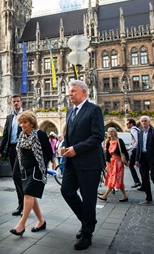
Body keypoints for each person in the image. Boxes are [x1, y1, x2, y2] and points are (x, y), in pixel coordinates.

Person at [60, 80, 105, 251]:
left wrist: (76, 149)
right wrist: (64, 146)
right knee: (66, 191)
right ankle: (88, 221)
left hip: (89, 163)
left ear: (83, 92)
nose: (69, 94)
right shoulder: (70, 111)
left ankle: (87, 234)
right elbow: (70, 135)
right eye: (69, 91)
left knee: (88, 198)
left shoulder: (94, 110)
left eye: (73, 91)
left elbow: (97, 136)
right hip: (72, 161)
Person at [10, 110, 52, 236]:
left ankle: (21, 225)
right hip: (25, 170)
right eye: (21, 123)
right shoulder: (22, 136)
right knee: (31, 196)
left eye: (25, 122)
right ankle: (41, 221)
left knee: (28, 194)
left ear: (32, 123)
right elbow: (20, 154)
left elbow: (49, 153)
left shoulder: (40, 134)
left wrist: (42, 165)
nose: (22, 125)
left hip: (36, 170)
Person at [0, 94, 24, 215]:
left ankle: (23, 205)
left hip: (23, 149)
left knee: (17, 176)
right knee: (16, 177)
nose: (16, 103)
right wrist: (0, 151)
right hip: (12, 149)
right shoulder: (9, 117)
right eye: (14, 101)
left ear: (21, 102)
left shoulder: (26, 115)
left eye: (18, 101)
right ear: (11, 103)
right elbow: (5, 136)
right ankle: (21, 204)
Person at [98, 127, 129, 202]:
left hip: (118, 162)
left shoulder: (119, 141)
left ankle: (105, 195)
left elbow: (124, 151)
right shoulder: (108, 141)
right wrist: (107, 162)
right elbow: (107, 154)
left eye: (112, 131)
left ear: (115, 132)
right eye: (108, 131)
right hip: (111, 162)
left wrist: (128, 160)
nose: (110, 133)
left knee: (114, 178)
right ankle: (125, 196)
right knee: (117, 179)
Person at [135, 115, 154, 205]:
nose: (143, 122)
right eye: (142, 121)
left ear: (149, 122)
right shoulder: (141, 132)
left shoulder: (152, 132)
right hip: (142, 157)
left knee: (153, 177)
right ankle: (148, 198)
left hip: (152, 158)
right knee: (145, 179)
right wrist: (137, 159)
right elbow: (139, 146)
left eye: (145, 121)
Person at [126, 118, 141, 188]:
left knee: (130, 165)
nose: (127, 125)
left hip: (136, 150)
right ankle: (141, 182)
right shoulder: (137, 129)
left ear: (131, 124)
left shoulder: (133, 130)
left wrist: (129, 148)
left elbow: (137, 141)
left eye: (127, 124)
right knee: (140, 165)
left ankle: (137, 181)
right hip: (137, 150)